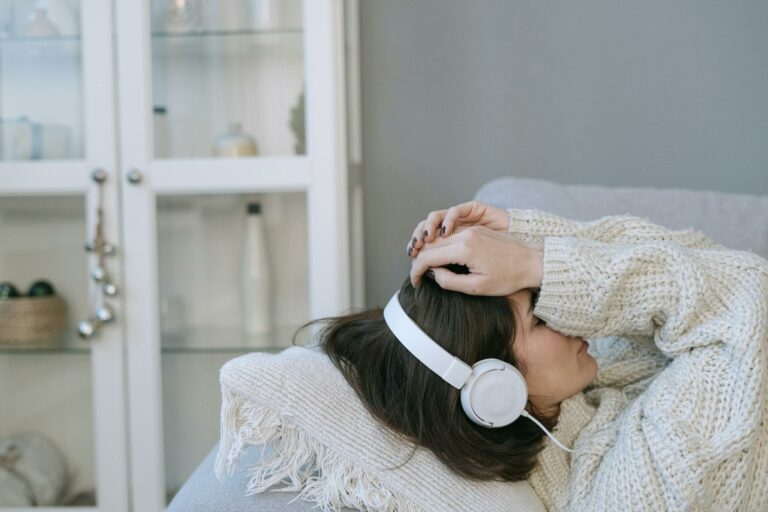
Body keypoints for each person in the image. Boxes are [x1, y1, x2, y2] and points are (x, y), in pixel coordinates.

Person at [304, 200, 768, 511]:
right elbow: (746, 292)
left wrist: (525, 243)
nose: (569, 313)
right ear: (494, 389)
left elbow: (705, 262)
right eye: (542, 316)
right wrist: (538, 265)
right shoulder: (636, 485)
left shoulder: (593, 391)